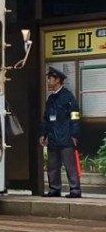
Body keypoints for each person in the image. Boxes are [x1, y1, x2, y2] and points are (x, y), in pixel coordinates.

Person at [40, 66, 81, 198]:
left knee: (70, 166)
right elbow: (46, 118)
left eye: (50, 79)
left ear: (57, 80)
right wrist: (43, 134)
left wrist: (74, 134)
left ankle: (75, 190)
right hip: (52, 138)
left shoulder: (67, 96)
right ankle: (54, 189)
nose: (48, 81)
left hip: (66, 137)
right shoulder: (51, 99)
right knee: (52, 166)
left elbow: (75, 115)